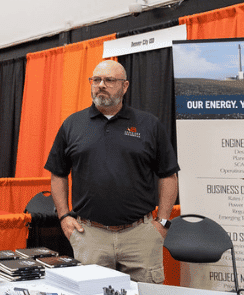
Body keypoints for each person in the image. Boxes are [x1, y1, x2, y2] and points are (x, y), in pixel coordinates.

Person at [45, 60, 179, 283]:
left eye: (109, 80)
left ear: (125, 86)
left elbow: (168, 175)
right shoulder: (73, 125)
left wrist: (162, 222)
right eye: (96, 80)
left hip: (141, 236)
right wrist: (64, 216)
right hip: (89, 235)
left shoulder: (148, 125)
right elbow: (58, 173)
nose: (101, 85)